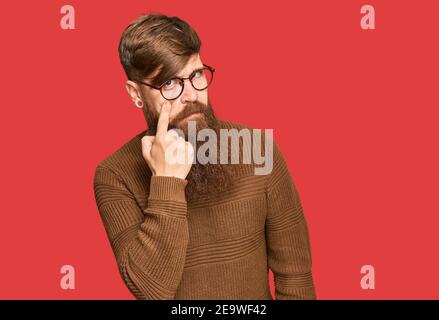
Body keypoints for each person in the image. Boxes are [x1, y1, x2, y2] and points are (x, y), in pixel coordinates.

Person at [93, 13, 316, 300]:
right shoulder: (114, 175)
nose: (191, 96)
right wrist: (167, 182)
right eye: (170, 83)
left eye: (196, 75)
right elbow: (151, 292)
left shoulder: (257, 148)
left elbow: (295, 274)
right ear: (136, 94)